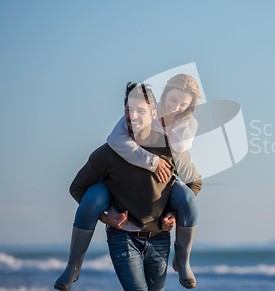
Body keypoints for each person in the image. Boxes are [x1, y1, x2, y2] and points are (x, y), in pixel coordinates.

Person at [54, 76, 202, 291]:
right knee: (95, 193)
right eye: (128, 110)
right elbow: (77, 187)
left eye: (141, 111)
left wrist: (174, 216)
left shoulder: (171, 147)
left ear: (153, 113)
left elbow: (194, 183)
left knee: (188, 197)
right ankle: (73, 265)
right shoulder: (110, 151)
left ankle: (183, 261)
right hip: (123, 237)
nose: (133, 116)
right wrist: (104, 218)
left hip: (159, 237)